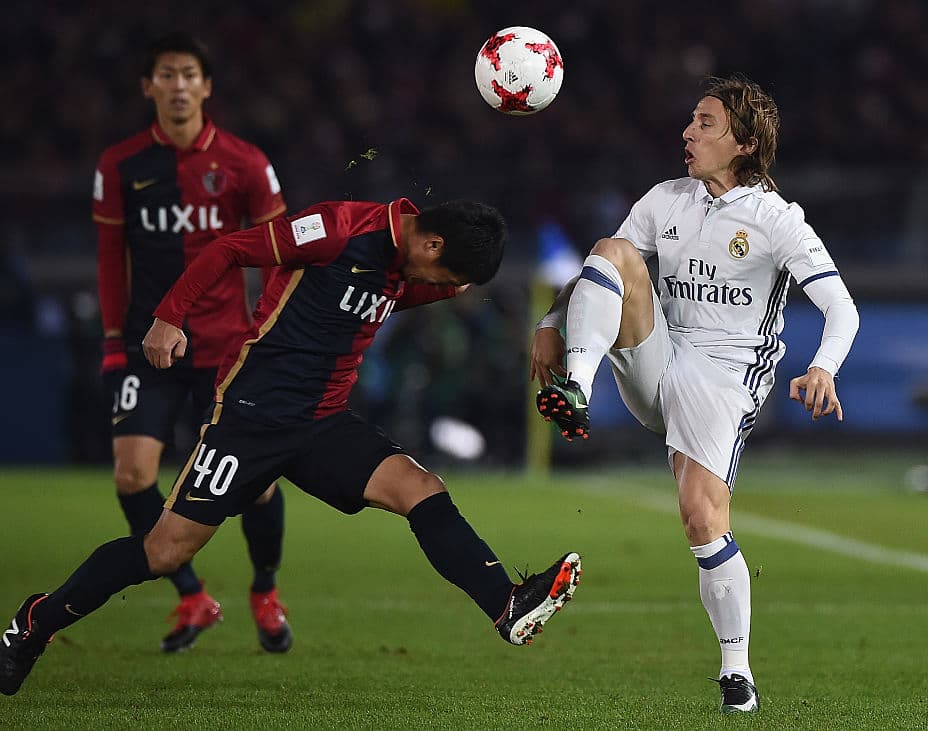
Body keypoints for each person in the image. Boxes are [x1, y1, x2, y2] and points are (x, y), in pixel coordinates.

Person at [0, 197, 582, 696]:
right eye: (443, 275)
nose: (443, 289)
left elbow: (398, 293)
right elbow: (230, 250)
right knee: (164, 552)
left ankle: (505, 605)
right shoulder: (336, 229)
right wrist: (169, 318)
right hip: (251, 419)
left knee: (420, 488)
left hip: (323, 423)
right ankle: (37, 621)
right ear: (429, 243)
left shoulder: (405, 265)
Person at [530, 75, 859, 714]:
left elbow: (840, 307)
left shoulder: (776, 219)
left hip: (725, 374)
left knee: (701, 518)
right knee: (615, 249)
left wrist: (824, 366)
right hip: (662, 354)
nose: (688, 132)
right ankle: (578, 385)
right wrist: (549, 323)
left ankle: (737, 672)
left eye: (706, 124)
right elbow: (601, 270)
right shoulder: (666, 198)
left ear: (744, 141)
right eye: (691, 120)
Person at [92, 33, 291, 652]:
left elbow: (282, 254)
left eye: (188, 75)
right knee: (132, 475)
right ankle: (191, 594)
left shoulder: (245, 163)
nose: (178, 85)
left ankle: (264, 590)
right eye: (166, 75)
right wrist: (111, 340)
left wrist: (269, 330)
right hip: (148, 348)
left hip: (227, 348)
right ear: (147, 87)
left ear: (206, 87)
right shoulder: (120, 165)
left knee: (255, 482)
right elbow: (109, 259)